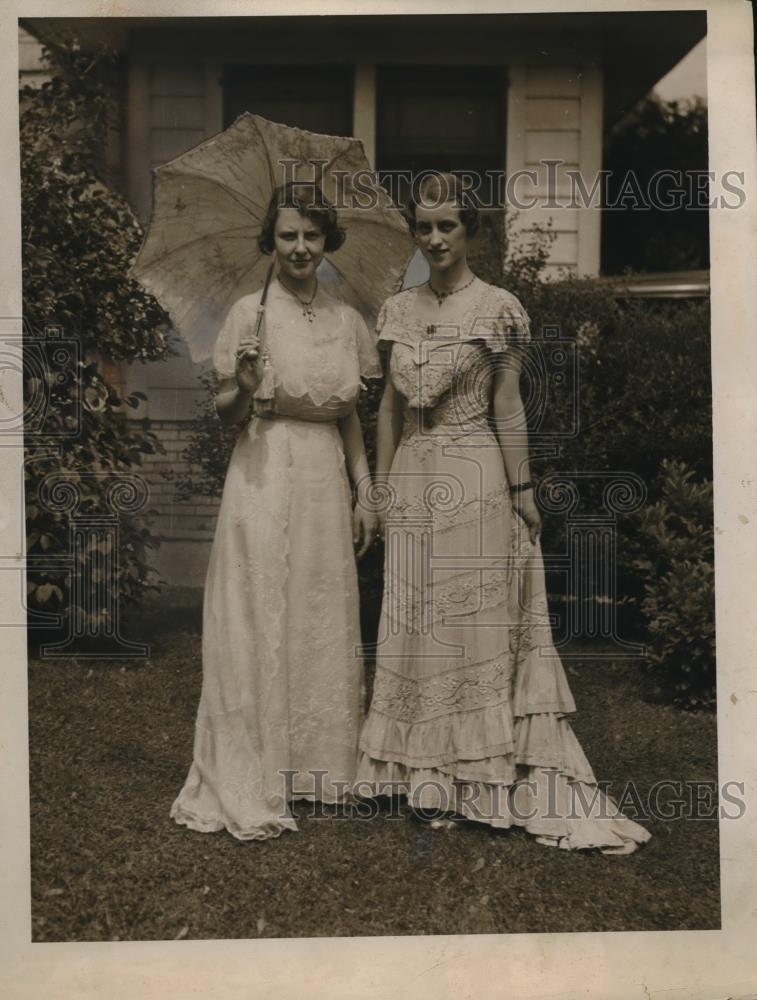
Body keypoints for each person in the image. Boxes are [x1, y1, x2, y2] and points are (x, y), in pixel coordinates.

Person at [355, 173, 651, 853]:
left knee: (472, 624)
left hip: (475, 476)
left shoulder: (497, 308)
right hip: (412, 476)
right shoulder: (397, 310)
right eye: (424, 227)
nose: (434, 239)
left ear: (472, 231)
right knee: (417, 623)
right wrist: (377, 486)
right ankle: (421, 779)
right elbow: (389, 409)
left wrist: (522, 493)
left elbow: (507, 408)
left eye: (447, 227)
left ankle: (480, 778)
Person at [171, 182, 380, 841]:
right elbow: (228, 413)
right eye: (287, 235)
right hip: (262, 471)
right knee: (260, 610)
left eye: (311, 237)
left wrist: (364, 490)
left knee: (318, 609)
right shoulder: (246, 315)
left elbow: (348, 414)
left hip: (323, 478)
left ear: (327, 242)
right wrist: (249, 385)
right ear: (271, 240)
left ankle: (317, 768)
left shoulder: (348, 320)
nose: (298, 248)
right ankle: (257, 765)